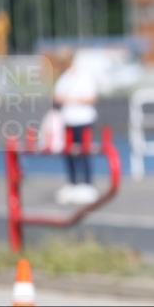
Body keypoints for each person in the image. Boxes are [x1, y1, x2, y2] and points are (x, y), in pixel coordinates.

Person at [53, 53, 99, 205]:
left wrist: (72, 100)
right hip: (68, 121)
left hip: (83, 120)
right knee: (69, 153)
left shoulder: (85, 77)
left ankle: (87, 184)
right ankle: (72, 183)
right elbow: (56, 98)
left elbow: (91, 98)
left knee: (84, 152)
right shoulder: (63, 78)